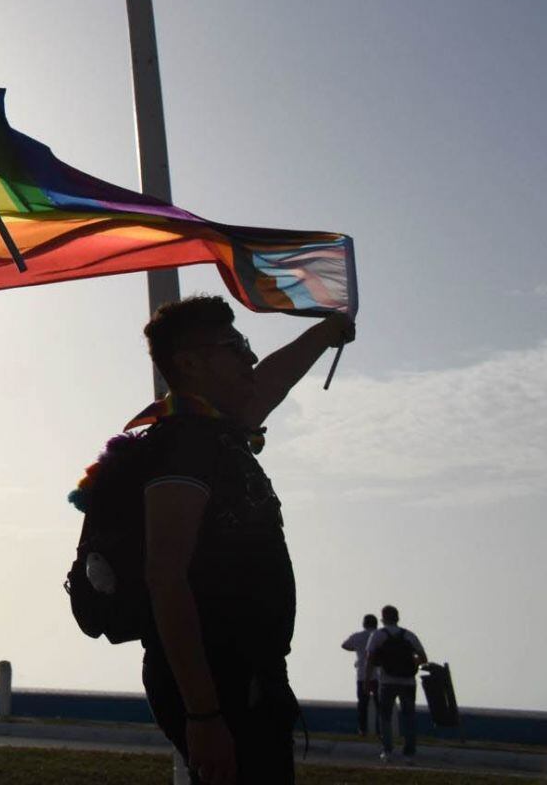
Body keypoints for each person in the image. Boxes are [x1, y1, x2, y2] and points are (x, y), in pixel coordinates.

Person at [133, 296, 355, 784]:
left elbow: (272, 380)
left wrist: (326, 331)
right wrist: (204, 715)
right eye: (235, 346)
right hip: (221, 683)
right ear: (190, 364)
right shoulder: (183, 446)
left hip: (249, 675)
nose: (250, 357)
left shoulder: (215, 432)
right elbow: (165, 578)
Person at [366, 604, 428, 761]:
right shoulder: (409, 635)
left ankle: (387, 751)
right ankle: (409, 753)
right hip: (408, 682)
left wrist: (367, 680)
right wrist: (412, 664)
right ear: (397, 618)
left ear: (383, 618)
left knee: (385, 717)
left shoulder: (378, 635)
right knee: (409, 717)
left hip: (387, 681)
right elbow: (423, 658)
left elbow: (370, 659)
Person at [341, 613, 378, 736]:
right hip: (379, 675)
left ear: (364, 624)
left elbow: (344, 645)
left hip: (362, 673)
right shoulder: (380, 635)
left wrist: (357, 649)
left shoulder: (358, 636)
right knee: (380, 704)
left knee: (363, 704)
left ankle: (362, 729)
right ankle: (381, 729)